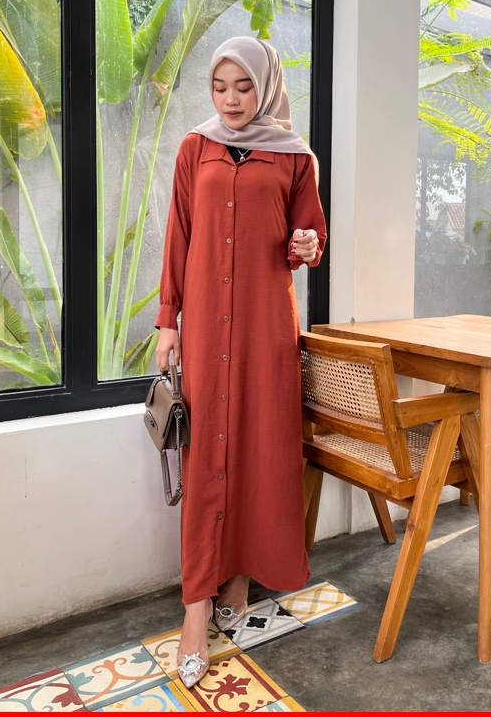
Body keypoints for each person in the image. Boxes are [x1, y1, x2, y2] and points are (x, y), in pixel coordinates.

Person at [154, 36, 327, 689]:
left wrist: (307, 244)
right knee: (205, 458)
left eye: (244, 86)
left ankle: (238, 582)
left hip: (265, 329)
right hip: (204, 329)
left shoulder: (295, 156)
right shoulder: (194, 149)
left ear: (267, 86)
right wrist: (167, 322)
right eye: (219, 86)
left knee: (258, 451)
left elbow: (307, 237)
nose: (230, 99)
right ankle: (196, 611)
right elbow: (178, 235)